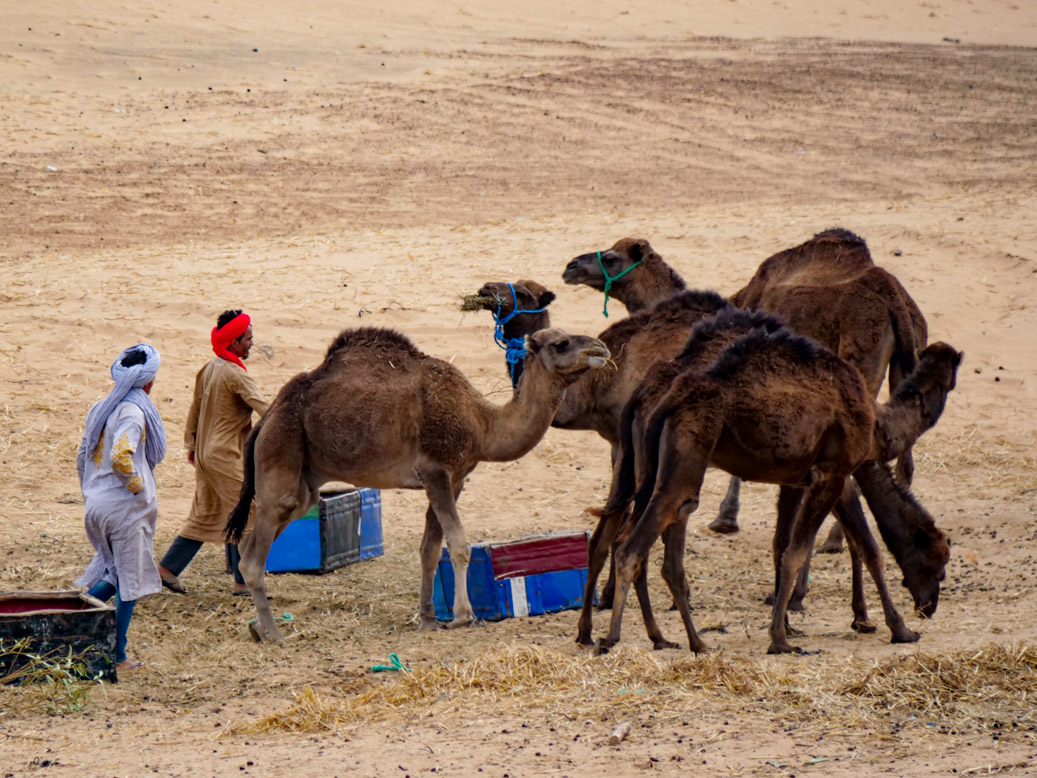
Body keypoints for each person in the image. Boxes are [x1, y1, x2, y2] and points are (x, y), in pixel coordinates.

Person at [157, 310, 268, 596]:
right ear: (233, 343)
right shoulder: (235, 375)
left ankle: (167, 569)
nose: (252, 344)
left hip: (206, 454)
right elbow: (264, 409)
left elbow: (194, 409)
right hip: (224, 455)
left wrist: (192, 446)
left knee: (206, 514)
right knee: (248, 511)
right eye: (248, 339)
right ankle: (246, 581)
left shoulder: (210, 367)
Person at [75, 344, 166, 672]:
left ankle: (76, 621)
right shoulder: (132, 412)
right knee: (130, 580)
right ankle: (118, 655)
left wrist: (91, 492)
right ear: (149, 382)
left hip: (98, 505)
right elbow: (120, 456)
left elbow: (82, 454)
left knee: (114, 574)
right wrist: (139, 489)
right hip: (124, 510)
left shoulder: (100, 407)